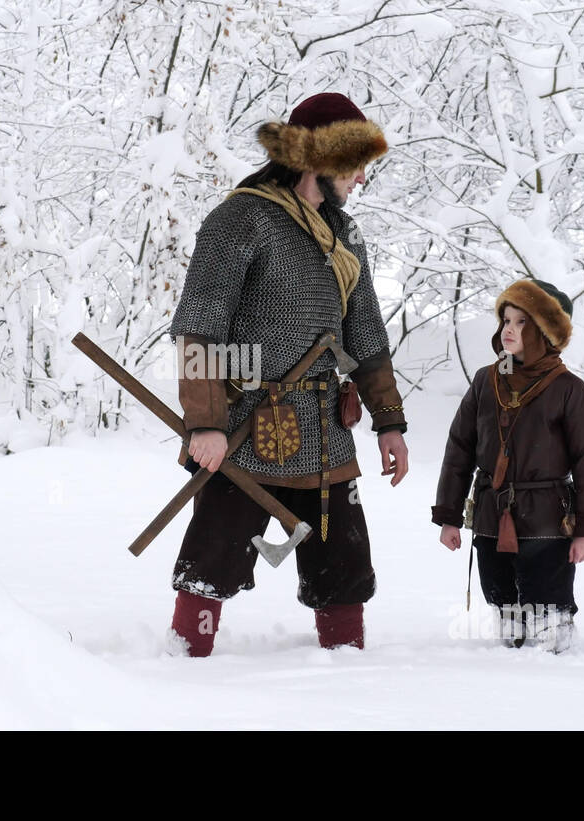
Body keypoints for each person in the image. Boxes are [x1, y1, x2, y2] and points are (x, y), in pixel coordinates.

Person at [165, 93, 410, 657]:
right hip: (247, 426)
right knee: (213, 556)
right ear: (314, 160)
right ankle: (182, 671)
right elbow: (199, 327)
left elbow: (367, 338)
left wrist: (389, 422)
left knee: (344, 562)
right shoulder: (240, 218)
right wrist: (204, 423)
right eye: (353, 165)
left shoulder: (345, 236)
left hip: (324, 428)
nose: (361, 180)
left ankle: (348, 671)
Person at [432, 278, 584, 652]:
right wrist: (449, 514)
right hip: (491, 517)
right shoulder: (486, 381)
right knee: (504, 613)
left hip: (547, 521)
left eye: (521, 322)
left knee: (549, 618)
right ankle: (510, 682)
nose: (508, 329)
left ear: (546, 331)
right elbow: (459, 450)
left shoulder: (569, 390)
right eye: (506, 320)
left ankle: (553, 679)